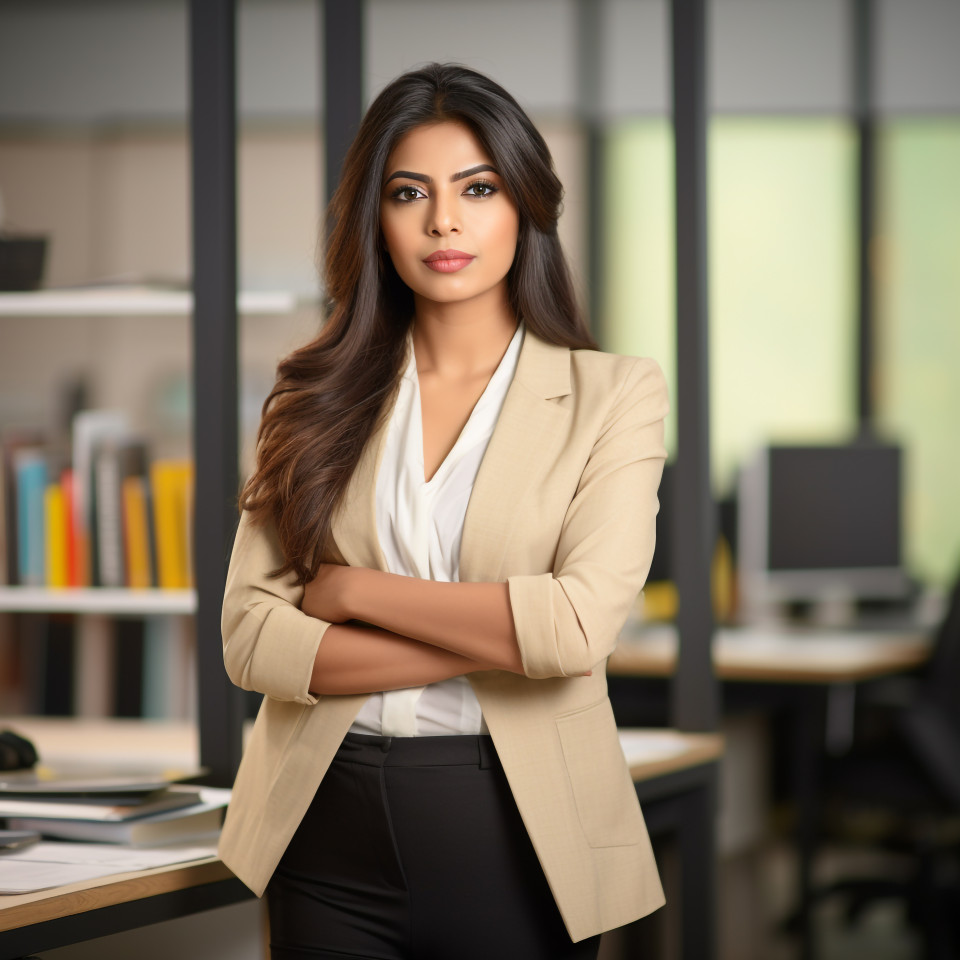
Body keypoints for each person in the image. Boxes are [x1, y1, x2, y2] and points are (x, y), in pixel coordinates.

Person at [218, 62, 669, 960]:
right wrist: (496, 642)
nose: (443, 222)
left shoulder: (613, 394)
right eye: (408, 193)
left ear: (525, 205)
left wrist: (351, 592)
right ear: (374, 218)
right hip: (322, 822)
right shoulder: (313, 393)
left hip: (513, 824)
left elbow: (575, 628)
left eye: (478, 188)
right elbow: (250, 639)